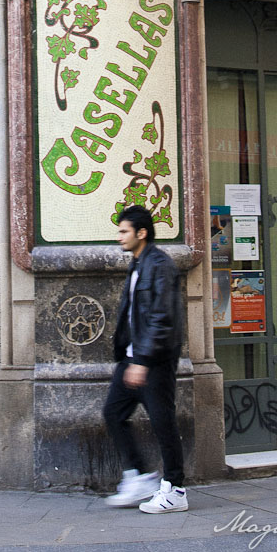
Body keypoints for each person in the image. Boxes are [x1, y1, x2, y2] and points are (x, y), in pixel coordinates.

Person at [103, 204, 188, 513]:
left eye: (124, 231)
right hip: (132, 359)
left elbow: (162, 319)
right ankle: (139, 476)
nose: (119, 237)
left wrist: (142, 361)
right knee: (113, 413)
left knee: (163, 423)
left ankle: (176, 489)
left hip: (153, 361)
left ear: (141, 233)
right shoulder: (137, 264)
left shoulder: (160, 265)